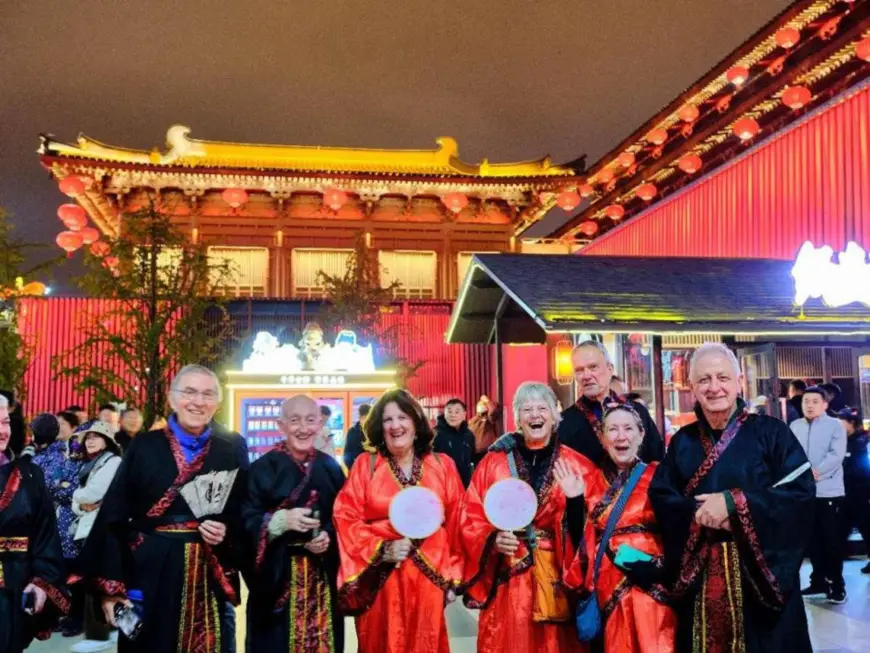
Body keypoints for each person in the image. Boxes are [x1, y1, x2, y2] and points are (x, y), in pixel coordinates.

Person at [650, 343, 814, 652]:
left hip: (760, 578)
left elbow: (799, 493)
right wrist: (701, 515)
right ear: (692, 387)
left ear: (739, 381)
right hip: (701, 576)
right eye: (704, 379)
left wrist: (735, 505)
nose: (714, 387)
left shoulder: (772, 432)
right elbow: (663, 498)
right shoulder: (682, 442)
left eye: (722, 377)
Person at [78, 365, 247, 653]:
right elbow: (114, 515)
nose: (198, 401)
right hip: (148, 569)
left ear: (218, 402)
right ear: (172, 399)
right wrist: (111, 590)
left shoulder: (230, 447)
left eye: (208, 394)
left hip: (208, 571)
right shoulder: (144, 446)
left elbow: (243, 510)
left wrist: (227, 531)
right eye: (189, 392)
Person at [460, 381, 596, 653]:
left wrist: (575, 501)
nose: (535, 415)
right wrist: (493, 538)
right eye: (527, 409)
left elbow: (595, 524)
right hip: (508, 579)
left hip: (556, 579)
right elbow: (470, 513)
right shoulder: (494, 462)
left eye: (542, 408)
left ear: (555, 415)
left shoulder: (576, 464)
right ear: (517, 418)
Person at [334, 389, 464, 653]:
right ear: (378, 427)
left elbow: (458, 523)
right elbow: (345, 517)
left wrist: (452, 577)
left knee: (426, 643)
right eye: (387, 419)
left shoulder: (442, 465)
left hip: (430, 578)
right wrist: (382, 549)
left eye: (402, 417)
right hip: (382, 578)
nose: (395, 426)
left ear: (416, 422)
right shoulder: (366, 464)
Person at [568, 402, 676, 653]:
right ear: (602, 438)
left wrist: (661, 568)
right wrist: (574, 502)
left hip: (653, 579)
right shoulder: (589, 481)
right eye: (613, 429)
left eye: (628, 428)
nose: (621, 436)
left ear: (641, 434)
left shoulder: (659, 474)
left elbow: (678, 529)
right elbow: (579, 541)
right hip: (609, 581)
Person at [242, 395, 346, 652]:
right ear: (281, 425)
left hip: (322, 580)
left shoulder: (330, 467)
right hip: (278, 581)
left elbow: (346, 518)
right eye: (294, 420)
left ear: (320, 423)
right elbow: (244, 521)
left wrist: (329, 537)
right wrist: (277, 522)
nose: (303, 428)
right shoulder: (262, 469)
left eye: (310, 420)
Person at [0, 394, 70, 652]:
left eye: (5, 422)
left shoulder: (30, 475)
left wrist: (42, 581)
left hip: (13, 590)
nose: (2, 431)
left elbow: (45, 536)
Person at [558, 341, 664, 466]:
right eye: (579, 370)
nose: (586, 376)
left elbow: (659, 463)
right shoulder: (565, 422)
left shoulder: (638, 412)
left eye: (593, 367)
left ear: (610, 369)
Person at [790, 386, 848, 603]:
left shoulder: (835, 426)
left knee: (830, 540)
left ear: (825, 404)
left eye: (815, 401)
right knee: (811, 540)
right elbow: (790, 453)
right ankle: (818, 582)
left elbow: (837, 454)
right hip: (803, 492)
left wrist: (818, 471)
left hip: (828, 490)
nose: (810, 405)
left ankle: (837, 585)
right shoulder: (795, 426)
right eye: (806, 401)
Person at [71, 421, 123, 653]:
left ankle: (102, 634)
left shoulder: (112, 462)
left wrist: (77, 495)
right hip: (87, 526)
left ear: (107, 440)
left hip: (103, 529)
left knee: (99, 580)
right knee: (90, 581)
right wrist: (83, 504)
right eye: (87, 437)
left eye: (96, 436)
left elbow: (94, 492)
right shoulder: (89, 464)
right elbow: (80, 504)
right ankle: (100, 633)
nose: (90, 441)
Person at [30, 413, 83, 636]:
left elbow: (70, 490)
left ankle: (73, 617)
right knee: (59, 570)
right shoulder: (41, 457)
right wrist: (56, 485)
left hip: (60, 521)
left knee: (68, 571)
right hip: (53, 522)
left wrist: (51, 487)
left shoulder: (64, 456)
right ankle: (62, 616)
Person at [837, 407, 870, 574]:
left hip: (861, 492)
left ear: (851, 423)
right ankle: (838, 554)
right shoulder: (842, 441)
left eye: (841, 422)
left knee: (866, 526)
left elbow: (861, 468)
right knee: (842, 526)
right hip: (846, 492)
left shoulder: (862, 442)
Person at [433, 398, 476, 487]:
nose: (453, 415)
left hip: (464, 486)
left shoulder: (469, 435)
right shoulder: (434, 434)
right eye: (449, 411)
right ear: (444, 414)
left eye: (457, 412)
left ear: (464, 415)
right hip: (442, 486)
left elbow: (472, 460)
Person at [468, 395, 500, 463]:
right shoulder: (488, 420)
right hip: (484, 451)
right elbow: (493, 410)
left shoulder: (472, 421)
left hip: (477, 452)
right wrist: (487, 400)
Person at [343, 403, 371, 471]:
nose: (367, 422)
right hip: (356, 470)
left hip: (372, 471)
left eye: (369, 419)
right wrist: (352, 468)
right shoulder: (352, 431)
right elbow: (347, 453)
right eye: (364, 418)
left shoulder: (375, 432)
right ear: (360, 418)